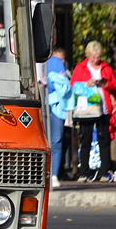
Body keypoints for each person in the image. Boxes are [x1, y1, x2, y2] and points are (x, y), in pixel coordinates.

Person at [70, 40, 116, 182]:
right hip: (88, 108)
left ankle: (104, 171)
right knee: (86, 139)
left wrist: (106, 84)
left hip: (103, 108)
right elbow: (73, 85)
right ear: (87, 54)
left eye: (98, 57)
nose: (96, 59)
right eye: (93, 56)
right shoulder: (80, 67)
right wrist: (86, 84)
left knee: (104, 139)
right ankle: (84, 172)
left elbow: (115, 87)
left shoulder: (106, 67)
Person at [45, 46, 73, 188]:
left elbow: (63, 84)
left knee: (56, 140)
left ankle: (54, 174)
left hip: (54, 103)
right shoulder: (30, 57)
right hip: (38, 103)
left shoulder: (56, 61)